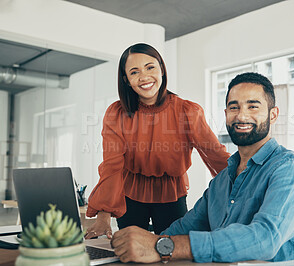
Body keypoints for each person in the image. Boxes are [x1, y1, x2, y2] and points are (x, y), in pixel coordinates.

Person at [110, 72, 294, 264]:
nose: (241, 116)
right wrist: (142, 243)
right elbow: (184, 227)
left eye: (253, 106)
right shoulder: (222, 180)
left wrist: (165, 247)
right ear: (226, 113)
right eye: (234, 107)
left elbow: (265, 239)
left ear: (273, 115)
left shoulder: (289, 169)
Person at [85, 43, 230, 239]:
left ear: (162, 68)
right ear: (126, 80)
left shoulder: (187, 111)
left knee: (170, 253)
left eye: (150, 67)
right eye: (134, 72)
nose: (144, 77)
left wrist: (248, 183)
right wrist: (103, 214)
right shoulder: (116, 113)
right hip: (130, 196)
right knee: (132, 254)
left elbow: (215, 154)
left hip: (171, 194)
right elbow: (112, 165)